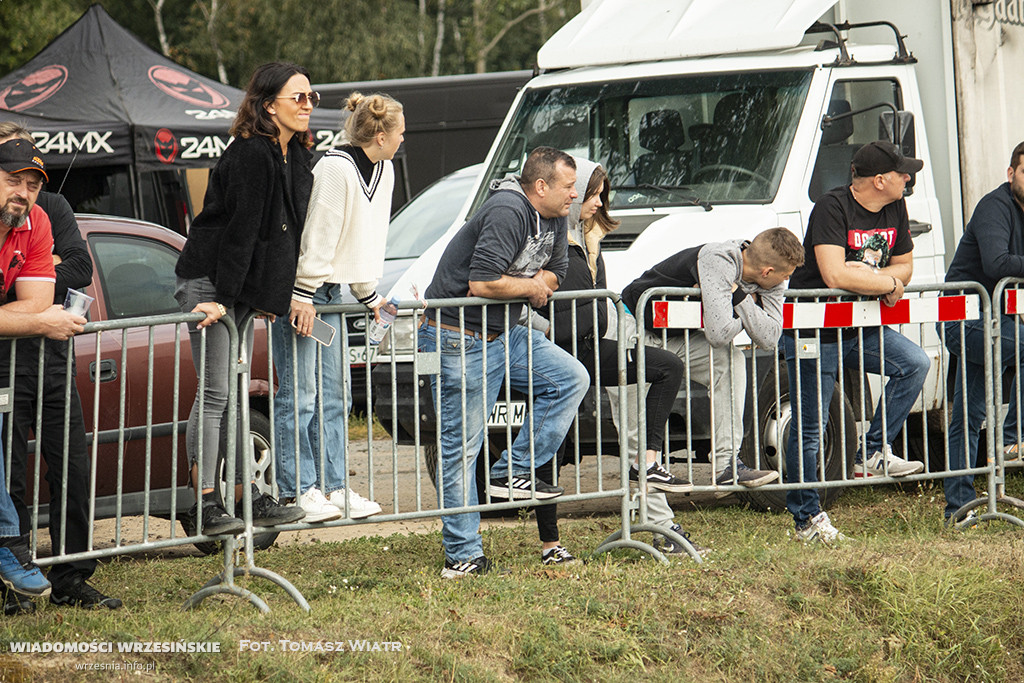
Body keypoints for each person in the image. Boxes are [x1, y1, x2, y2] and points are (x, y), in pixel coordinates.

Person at [418, 146, 590, 578]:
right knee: (462, 447)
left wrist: (534, 283)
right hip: (459, 335)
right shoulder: (508, 210)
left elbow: (560, 270)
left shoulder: (554, 216)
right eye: (568, 187)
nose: (575, 195)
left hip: (505, 333)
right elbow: (481, 281)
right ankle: (462, 556)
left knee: (571, 378)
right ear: (541, 186)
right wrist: (530, 287)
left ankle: (511, 471)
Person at [529, 158, 697, 564]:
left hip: (589, 349)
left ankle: (648, 462)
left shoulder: (591, 242)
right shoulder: (546, 241)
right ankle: (551, 545)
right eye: (591, 195)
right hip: (554, 358)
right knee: (552, 447)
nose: (596, 203)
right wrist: (547, 329)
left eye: (600, 196)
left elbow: (595, 301)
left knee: (667, 367)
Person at [174, 62, 313, 537]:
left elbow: (282, 235)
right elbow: (240, 234)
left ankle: (246, 494)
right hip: (212, 283)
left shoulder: (291, 154)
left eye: (311, 97)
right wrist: (228, 302)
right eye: (298, 98)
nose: (308, 105)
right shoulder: (251, 153)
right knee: (216, 394)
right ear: (267, 104)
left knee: (226, 393)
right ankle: (208, 503)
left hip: (236, 288)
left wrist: (270, 296)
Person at [783, 140, 929, 543]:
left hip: (858, 325)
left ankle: (873, 450)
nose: (908, 178)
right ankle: (806, 518)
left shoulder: (896, 206)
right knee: (810, 427)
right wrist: (885, 281)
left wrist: (880, 279)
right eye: (902, 172)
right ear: (879, 180)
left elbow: (906, 265)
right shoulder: (832, 207)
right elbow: (834, 275)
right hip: (815, 330)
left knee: (914, 364)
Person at [0, 124, 118, 612]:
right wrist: (28, 296)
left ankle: (72, 576)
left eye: (33, 181)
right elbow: (37, 292)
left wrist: (31, 287)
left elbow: (76, 270)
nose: (25, 190)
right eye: (14, 177)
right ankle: (16, 577)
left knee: (70, 464)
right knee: (11, 472)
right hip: (9, 359)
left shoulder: (50, 210)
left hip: (53, 355)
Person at [274, 92, 405, 521]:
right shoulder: (334, 166)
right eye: (400, 133)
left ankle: (333, 485)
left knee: (335, 395)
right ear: (381, 134)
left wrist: (369, 293)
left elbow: (364, 237)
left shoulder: (383, 169)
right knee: (301, 394)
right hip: (304, 291)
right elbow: (318, 234)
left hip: (332, 293)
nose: (404, 140)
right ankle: (299, 489)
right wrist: (305, 293)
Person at [621, 228, 803, 494]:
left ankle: (726, 467)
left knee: (730, 361)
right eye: (785, 276)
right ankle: (657, 524)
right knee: (636, 432)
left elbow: (771, 337)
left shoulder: (773, 279)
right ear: (767, 272)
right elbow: (718, 333)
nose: (786, 281)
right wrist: (751, 310)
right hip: (633, 327)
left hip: (673, 337)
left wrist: (738, 297)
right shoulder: (719, 259)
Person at [941, 140, 1024, 523]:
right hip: (963, 318)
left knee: (968, 413)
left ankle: (958, 505)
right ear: (1011, 174)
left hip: (997, 321)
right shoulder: (995, 206)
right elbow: (997, 264)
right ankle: (1012, 438)